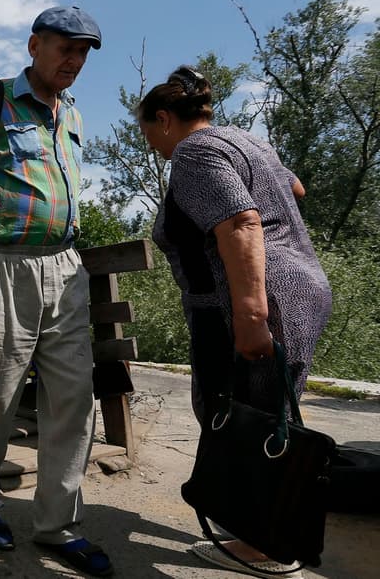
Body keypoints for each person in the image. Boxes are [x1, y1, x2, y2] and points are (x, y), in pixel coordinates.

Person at [0, 5, 113, 576]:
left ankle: (58, 524)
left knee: (73, 398)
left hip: (66, 266)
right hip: (3, 264)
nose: (75, 61)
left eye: (83, 52)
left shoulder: (75, 116)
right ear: (35, 44)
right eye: (66, 48)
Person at [137, 66, 332, 579]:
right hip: (296, 286)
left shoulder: (194, 152)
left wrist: (251, 315)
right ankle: (259, 529)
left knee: (253, 421)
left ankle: (265, 544)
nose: (152, 145)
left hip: (252, 298)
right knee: (262, 415)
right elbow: (296, 188)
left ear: (164, 119)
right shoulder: (248, 141)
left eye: (148, 132)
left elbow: (240, 221)